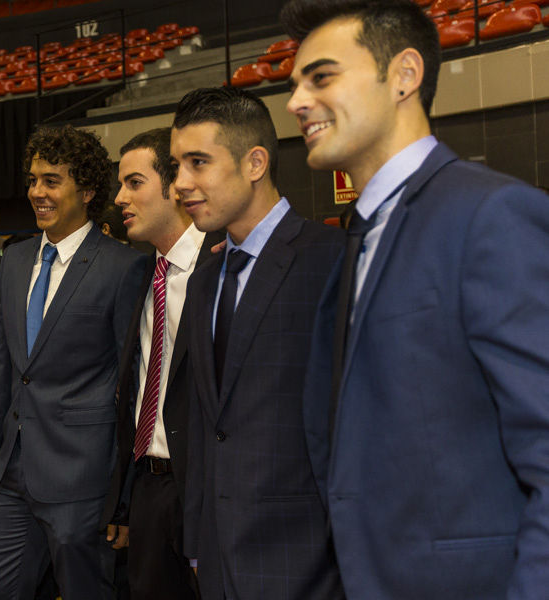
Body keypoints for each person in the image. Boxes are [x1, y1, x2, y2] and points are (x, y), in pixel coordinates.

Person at [280, 1, 549, 597]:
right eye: (294, 83)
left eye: (320, 77)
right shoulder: (360, 235)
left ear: (404, 75)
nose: (296, 102)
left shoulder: (491, 216)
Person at [170, 87, 344, 599]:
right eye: (177, 165)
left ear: (255, 163)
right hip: (221, 563)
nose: (181, 183)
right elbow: (208, 424)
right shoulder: (205, 279)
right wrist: (200, 546)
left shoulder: (334, 261)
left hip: (312, 562)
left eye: (198, 162)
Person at [0, 125, 147, 600]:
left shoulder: (122, 266)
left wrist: (121, 497)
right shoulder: (16, 258)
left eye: (51, 180)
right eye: (32, 180)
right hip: (9, 471)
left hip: (82, 477)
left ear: (87, 191)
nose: (36, 193)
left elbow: (132, 387)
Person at [102, 127, 220, 599]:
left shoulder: (221, 264)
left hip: (206, 488)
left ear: (174, 188)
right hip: (149, 488)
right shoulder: (139, 276)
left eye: (133, 183)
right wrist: (124, 501)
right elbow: (132, 391)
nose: (119, 198)